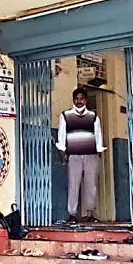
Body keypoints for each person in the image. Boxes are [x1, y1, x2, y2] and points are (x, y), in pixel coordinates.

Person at [56, 88, 106, 224]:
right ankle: (72, 214)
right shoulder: (65, 115)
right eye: (77, 98)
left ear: (86, 100)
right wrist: (62, 151)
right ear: (73, 100)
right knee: (73, 184)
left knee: (91, 185)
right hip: (74, 155)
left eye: (81, 98)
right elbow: (61, 134)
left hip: (91, 154)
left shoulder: (93, 116)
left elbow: (98, 135)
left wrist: (98, 153)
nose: (79, 101)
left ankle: (89, 213)